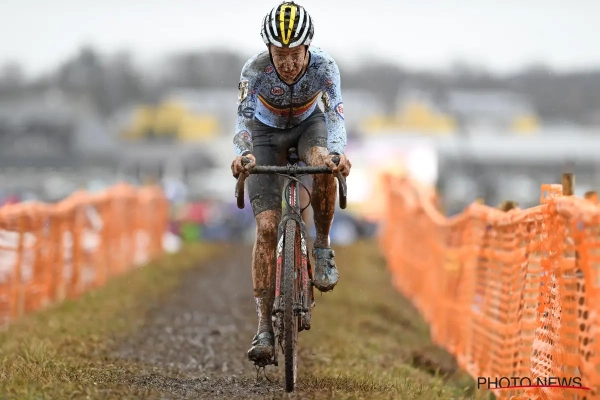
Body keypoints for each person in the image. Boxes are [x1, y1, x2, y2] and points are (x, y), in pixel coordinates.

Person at [230, 1, 352, 365]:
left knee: (324, 164)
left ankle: (322, 246)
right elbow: (242, 120)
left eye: (295, 54)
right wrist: (243, 154)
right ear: (268, 49)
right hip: (265, 135)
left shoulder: (325, 67)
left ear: (307, 46)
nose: (288, 63)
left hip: (307, 128)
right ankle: (263, 328)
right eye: (280, 54)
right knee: (267, 227)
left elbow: (336, 116)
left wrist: (338, 154)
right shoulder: (254, 70)